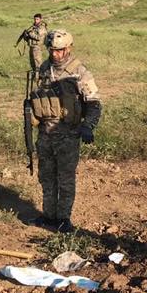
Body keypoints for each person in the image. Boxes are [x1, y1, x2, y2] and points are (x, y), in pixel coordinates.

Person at [27, 29, 102, 232]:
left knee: (65, 179)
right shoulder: (44, 69)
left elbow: (94, 103)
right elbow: (38, 97)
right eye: (52, 50)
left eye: (59, 50)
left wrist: (88, 126)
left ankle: (63, 219)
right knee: (46, 177)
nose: (55, 54)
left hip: (68, 135)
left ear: (68, 48)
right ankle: (48, 216)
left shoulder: (79, 71)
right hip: (45, 134)